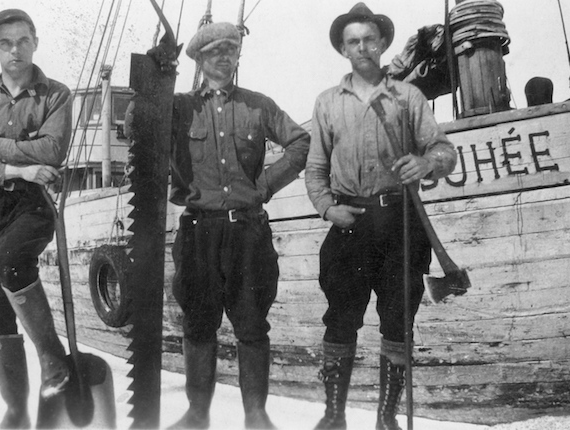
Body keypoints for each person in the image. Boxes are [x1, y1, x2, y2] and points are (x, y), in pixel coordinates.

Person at [304, 3, 457, 430]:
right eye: (353, 41)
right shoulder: (328, 103)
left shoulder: (408, 96)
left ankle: (387, 417)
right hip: (350, 222)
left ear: (383, 43)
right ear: (343, 49)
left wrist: (427, 164)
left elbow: (445, 150)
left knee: (397, 319)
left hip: (400, 224)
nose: (363, 48)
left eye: (370, 39)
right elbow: (315, 167)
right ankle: (334, 415)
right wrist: (327, 207)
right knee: (340, 318)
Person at [168, 21, 310, 430]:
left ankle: (255, 414)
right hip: (199, 232)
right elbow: (138, 123)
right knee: (198, 321)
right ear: (199, 60)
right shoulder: (179, 108)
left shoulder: (258, 104)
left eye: (231, 50)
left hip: (248, 232)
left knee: (251, 322)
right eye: (215, 52)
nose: (225, 57)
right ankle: (197, 414)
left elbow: (300, 142)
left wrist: (263, 186)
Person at [0, 9, 72, 428]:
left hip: (32, 203)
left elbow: (52, 151)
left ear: (35, 42)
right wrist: (18, 165)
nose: (15, 50)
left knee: (10, 263)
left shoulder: (56, 95)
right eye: (5, 43)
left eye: (23, 40)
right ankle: (17, 409)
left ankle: (54, 362)